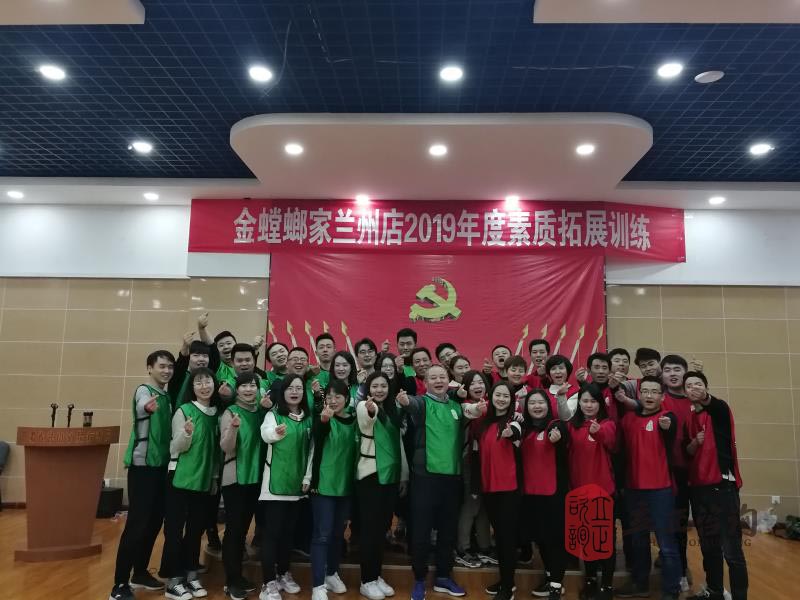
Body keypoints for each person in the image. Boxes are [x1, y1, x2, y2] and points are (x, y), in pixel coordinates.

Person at [402, 364, 485, 600]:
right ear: (425, 382)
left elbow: (472, 410)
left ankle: (443, 576)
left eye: (442, 377)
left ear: (449, 381)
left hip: (452, 477)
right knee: (421, 531)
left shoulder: (456, 406)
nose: (438, 381)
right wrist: (404, 400)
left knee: (448, 532)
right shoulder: (421, 403)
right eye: (433, 378)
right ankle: (419, 579)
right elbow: (410, 404)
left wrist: (477, 407)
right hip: (425, 477)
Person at [110, 350, 175, 600]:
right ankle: (119, 584)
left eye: (170, 367)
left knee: (154, 521)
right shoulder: (144, 391)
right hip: (142, 466)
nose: (167, 371)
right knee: (137, 524)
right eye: (162, 366)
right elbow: (142, 406)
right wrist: (146, 408)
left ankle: (139, 572)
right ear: (149, 368)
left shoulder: (167, 396)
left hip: (161, 466)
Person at [684, 372, 748, 600]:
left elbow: (716, 405)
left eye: (698, 384)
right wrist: (694, 443)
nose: (694, 388)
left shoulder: (719, 411)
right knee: (709, 547)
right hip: (699, 490)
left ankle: (740, 596)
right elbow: (687, 452)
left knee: (732, 551)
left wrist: (705, 398)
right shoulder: (689, 418)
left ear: (706, 388)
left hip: (723, 488)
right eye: (689, 385)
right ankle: (715, 592)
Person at [617, 376, 681, 600]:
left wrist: (667, 428)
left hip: (660, 490)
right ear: (639, 394)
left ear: (662, 396)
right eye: (645, 391)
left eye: (654, 392)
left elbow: (671, 432)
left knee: (666, 543)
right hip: (634, 490)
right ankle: (640, 583)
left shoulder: (667, 418)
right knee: (638, 541)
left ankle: (671, 590)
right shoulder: (628, 419)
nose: (649, 395)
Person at [160, 367, 220, 600]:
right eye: (199, 382)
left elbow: (215, 453)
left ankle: (191, 573)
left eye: (207, 381)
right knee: (175, 530)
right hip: (180, 478)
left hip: (203, 480)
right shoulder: (184, 411)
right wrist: (186, 434)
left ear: (214, 384)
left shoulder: (216, 413)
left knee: (195, 530)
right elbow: (175, 448)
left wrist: (214, 479)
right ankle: (174, 580)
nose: (204, 386)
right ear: (192, 387)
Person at [356, 372, 409, 600]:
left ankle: (376, 575)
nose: (379, 390)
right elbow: (367, 419)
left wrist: (403, 476)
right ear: (368, 389)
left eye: (383, 386)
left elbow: (399, 444)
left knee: (381, 531)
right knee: (369, 531)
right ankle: (366, 580)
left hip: (390, 477)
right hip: (370, 476)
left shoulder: (394, 410)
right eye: (375, 386)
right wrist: (371, 410)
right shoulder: (363, 406)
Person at [258, 374, 312, 600]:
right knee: (272, 535)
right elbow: (265, 435)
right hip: (275, 487)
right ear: (283, 392)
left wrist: (307, 477)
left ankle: (283, 573)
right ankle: (268, 583)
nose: (294, 392)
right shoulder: (273, 414)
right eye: (290, 388)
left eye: (299, 388)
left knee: (289, 535)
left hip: (297, 486)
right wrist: (275, 433)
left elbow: (311, 451)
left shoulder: (308, 418)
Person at [304, 379, 359, 600]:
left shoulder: (355, 419)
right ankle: (318, 584)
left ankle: (331, 573)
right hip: (323, 486)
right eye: (329, 396)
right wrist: (324, 420)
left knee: (338, 534)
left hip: (346, 486)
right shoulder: (323, 418)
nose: (333, 400)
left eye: (338, 396)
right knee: (322, 535)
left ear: (347, 398)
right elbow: (318, 434)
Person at [220, 372, 268, 600]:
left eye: (253, 386)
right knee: (234, 530)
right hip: (236, 480)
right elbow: (226, 447)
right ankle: (231, 581)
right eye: (244, 386)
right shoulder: (230, 412)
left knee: (243, 530)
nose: (249, 390)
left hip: (255, 480)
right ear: (237, 390)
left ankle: (238, 577)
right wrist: (233, 429)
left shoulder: (260, 412)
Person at [473, 381, 521, 600]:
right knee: (499, 538)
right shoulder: (484, 423)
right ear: (491, 397)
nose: (501, 399)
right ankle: (505, 580)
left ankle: (508, 586)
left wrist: (512, 433)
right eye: (498, 395)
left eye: (506, 396)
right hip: (489, 488)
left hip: (509, 489)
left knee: (506, 538)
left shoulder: (514, 421)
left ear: (512, 400)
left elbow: (517, 433)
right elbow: (477, 454)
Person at [568, 384, 616, 600]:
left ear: (600, 403)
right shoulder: (573, 425)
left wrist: (598, 433)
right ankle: (590, 580)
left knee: (604, 540)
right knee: (586, 539)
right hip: (579, 490)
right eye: (585, 401)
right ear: (579, 403)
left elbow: (611, 442)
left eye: (593, 401)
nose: (589, 405)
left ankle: (607, 585)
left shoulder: (607, 424)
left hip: (602, 490)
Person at [521, 389, 569, 600]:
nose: (537, 406)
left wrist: (557, 440)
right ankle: (550, 576)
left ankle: (557, 585)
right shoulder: (525, 429)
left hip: (553, 493)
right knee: (540, 538)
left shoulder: (556, 425)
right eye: (532, 403)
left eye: (541, 402)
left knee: (554, 539)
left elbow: (563, 444)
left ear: (548, 406)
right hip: (531, 494)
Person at [660, 355, 693, 593]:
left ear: (685, 372)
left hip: (693, 472)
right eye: (668, 370)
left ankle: (682, 570)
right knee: (670, 524)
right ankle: (673, 567)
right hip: (665, 471)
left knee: (682, 524)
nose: (672, 374)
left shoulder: (695, 400)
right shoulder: (659, 400)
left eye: (677, 369)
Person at [455, 370, 493, 569]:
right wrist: (479, 408)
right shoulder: (463, 406)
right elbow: (472, 411)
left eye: (481, 382)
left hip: (489, 463)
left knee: (484, 506)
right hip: (470, 462)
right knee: (471, 504)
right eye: (473, 383)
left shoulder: (492, 403)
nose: (478, 386)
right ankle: (463, 548)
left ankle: (485, 547)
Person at [544, 355, 580, 420]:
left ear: (567, 371)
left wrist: (561, 396)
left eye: (561, 368)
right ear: (549, 373)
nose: (557, 372)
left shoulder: (576, 392)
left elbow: (566, 417)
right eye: (553, 369)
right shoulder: (543, 393)